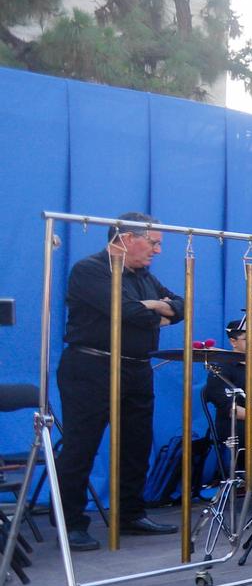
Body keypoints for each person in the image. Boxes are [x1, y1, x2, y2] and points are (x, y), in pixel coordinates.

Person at [54, 213, 185, 551]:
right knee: (81, 447)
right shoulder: (90, 270)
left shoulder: (144, 276)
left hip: (136, 370)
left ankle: (130, 513)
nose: (157, 251)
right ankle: (71, 523)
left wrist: (151, 306)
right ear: (127, 239)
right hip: (92, 368)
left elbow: (182, 306)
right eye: (153, 243)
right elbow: (123, 311)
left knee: (136, 445)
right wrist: (155, 310)